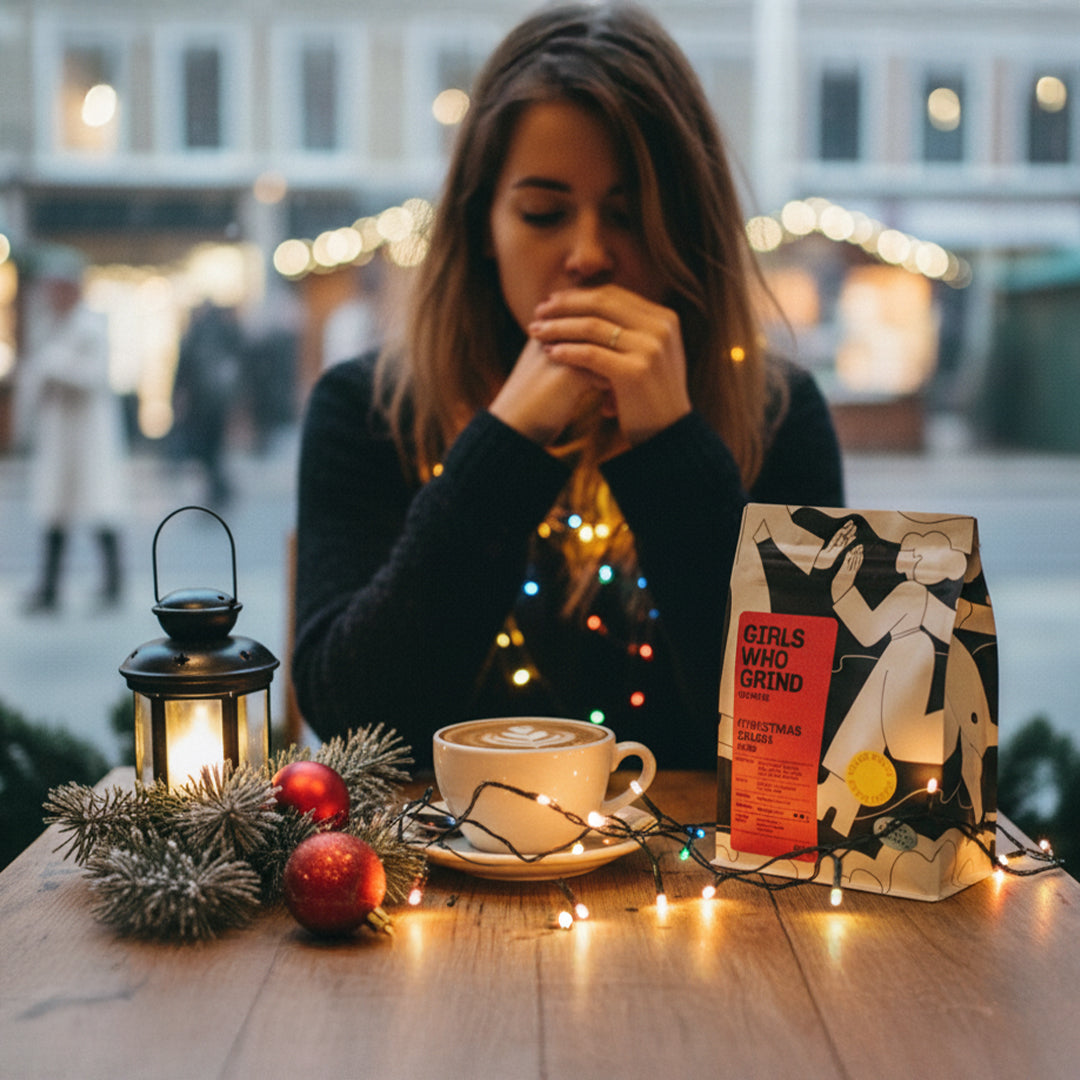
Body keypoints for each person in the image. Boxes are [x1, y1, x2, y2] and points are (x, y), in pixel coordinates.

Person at [292, 1, 844, 770]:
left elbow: (796, 734)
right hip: (435, 875)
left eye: (629, 215)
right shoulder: (371, 409)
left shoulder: (778, 412)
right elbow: (356, 724)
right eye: (544, 212)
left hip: (710, 882)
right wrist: (505, 444)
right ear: (483, 222)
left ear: (688, 226)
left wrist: (673, 451)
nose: (588, 255)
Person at [19, 247, 128, 613]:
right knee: (55, 509)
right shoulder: (50, 326)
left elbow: (94, 376)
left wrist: (54, 367)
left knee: (100, 505)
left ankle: (113, 582)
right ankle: (50, 587)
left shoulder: (89, 326)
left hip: (88, 433)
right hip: (59, 433)